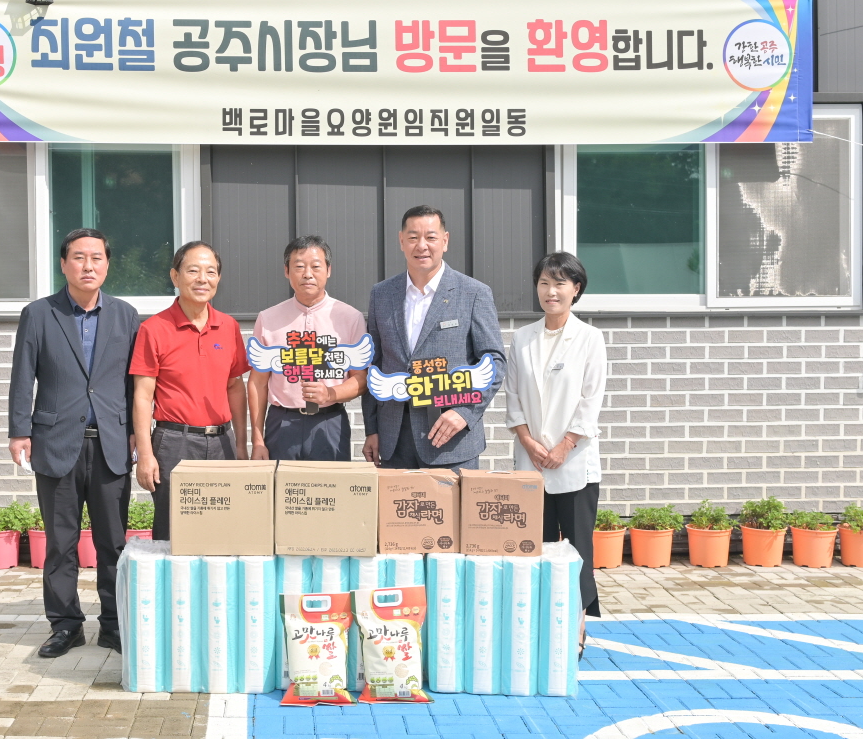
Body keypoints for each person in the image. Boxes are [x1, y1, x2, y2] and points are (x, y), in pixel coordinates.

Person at [8, 228, 142, 659]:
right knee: (60, 542)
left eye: (97, 258)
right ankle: (65, 625)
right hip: (54, 442)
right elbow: (22, 375)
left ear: (107, 265)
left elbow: (134, 381)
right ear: (64, 264)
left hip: (110, 444)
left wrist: (137, 430)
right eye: (79, 257)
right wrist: (19, 430)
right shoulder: (39, 314)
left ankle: (114, 624)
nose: (88, 266)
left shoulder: (126, 315)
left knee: (113, 542)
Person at [503, 251, 607, 657]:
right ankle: (541, 624)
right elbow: (513, 397)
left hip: (574, 462)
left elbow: (590, 401)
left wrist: (564, 446)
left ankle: (577, 624)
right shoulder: (522, 338)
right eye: (544, 282)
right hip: (531, 461)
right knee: (536, 547)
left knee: (578, 549)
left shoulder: (590, 338)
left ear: (575, 289)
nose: (551, 291)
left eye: (560, 283)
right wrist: (529, 442)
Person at [361, 205, 505, 471]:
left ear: (445, 241)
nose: (422, 246)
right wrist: (372, 428)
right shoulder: (381, 294)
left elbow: (495, 361)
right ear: (401, 241)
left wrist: (465, 412)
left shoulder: (473, 293)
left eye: (430, 237)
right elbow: (374, 363)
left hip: (451, 439)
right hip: (394, 440)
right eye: (413, 237)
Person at [130, 241, 250, 541]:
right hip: (174, 444)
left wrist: (241, 444)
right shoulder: (154, 329)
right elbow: (142, 396)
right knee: (173, 534)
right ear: (175, 276)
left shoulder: (229, 327)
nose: (202, 279)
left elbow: (235, 387)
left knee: (224, 532)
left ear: (218, 278)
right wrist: (145, 454)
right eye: (193, 271)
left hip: (222, 442)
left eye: (211, 272)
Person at [248, 237, 368, 462]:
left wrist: (330, 393)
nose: (307, 274)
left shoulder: (350, 318)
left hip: (330, 421)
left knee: (330, 485)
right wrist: (257, 439)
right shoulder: (268, 319)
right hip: (281, 423)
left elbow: (361, 379)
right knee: (280, 484)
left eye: (315, 266)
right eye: (299, 266)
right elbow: (258, 383)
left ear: (328, 270)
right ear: (287, 271)